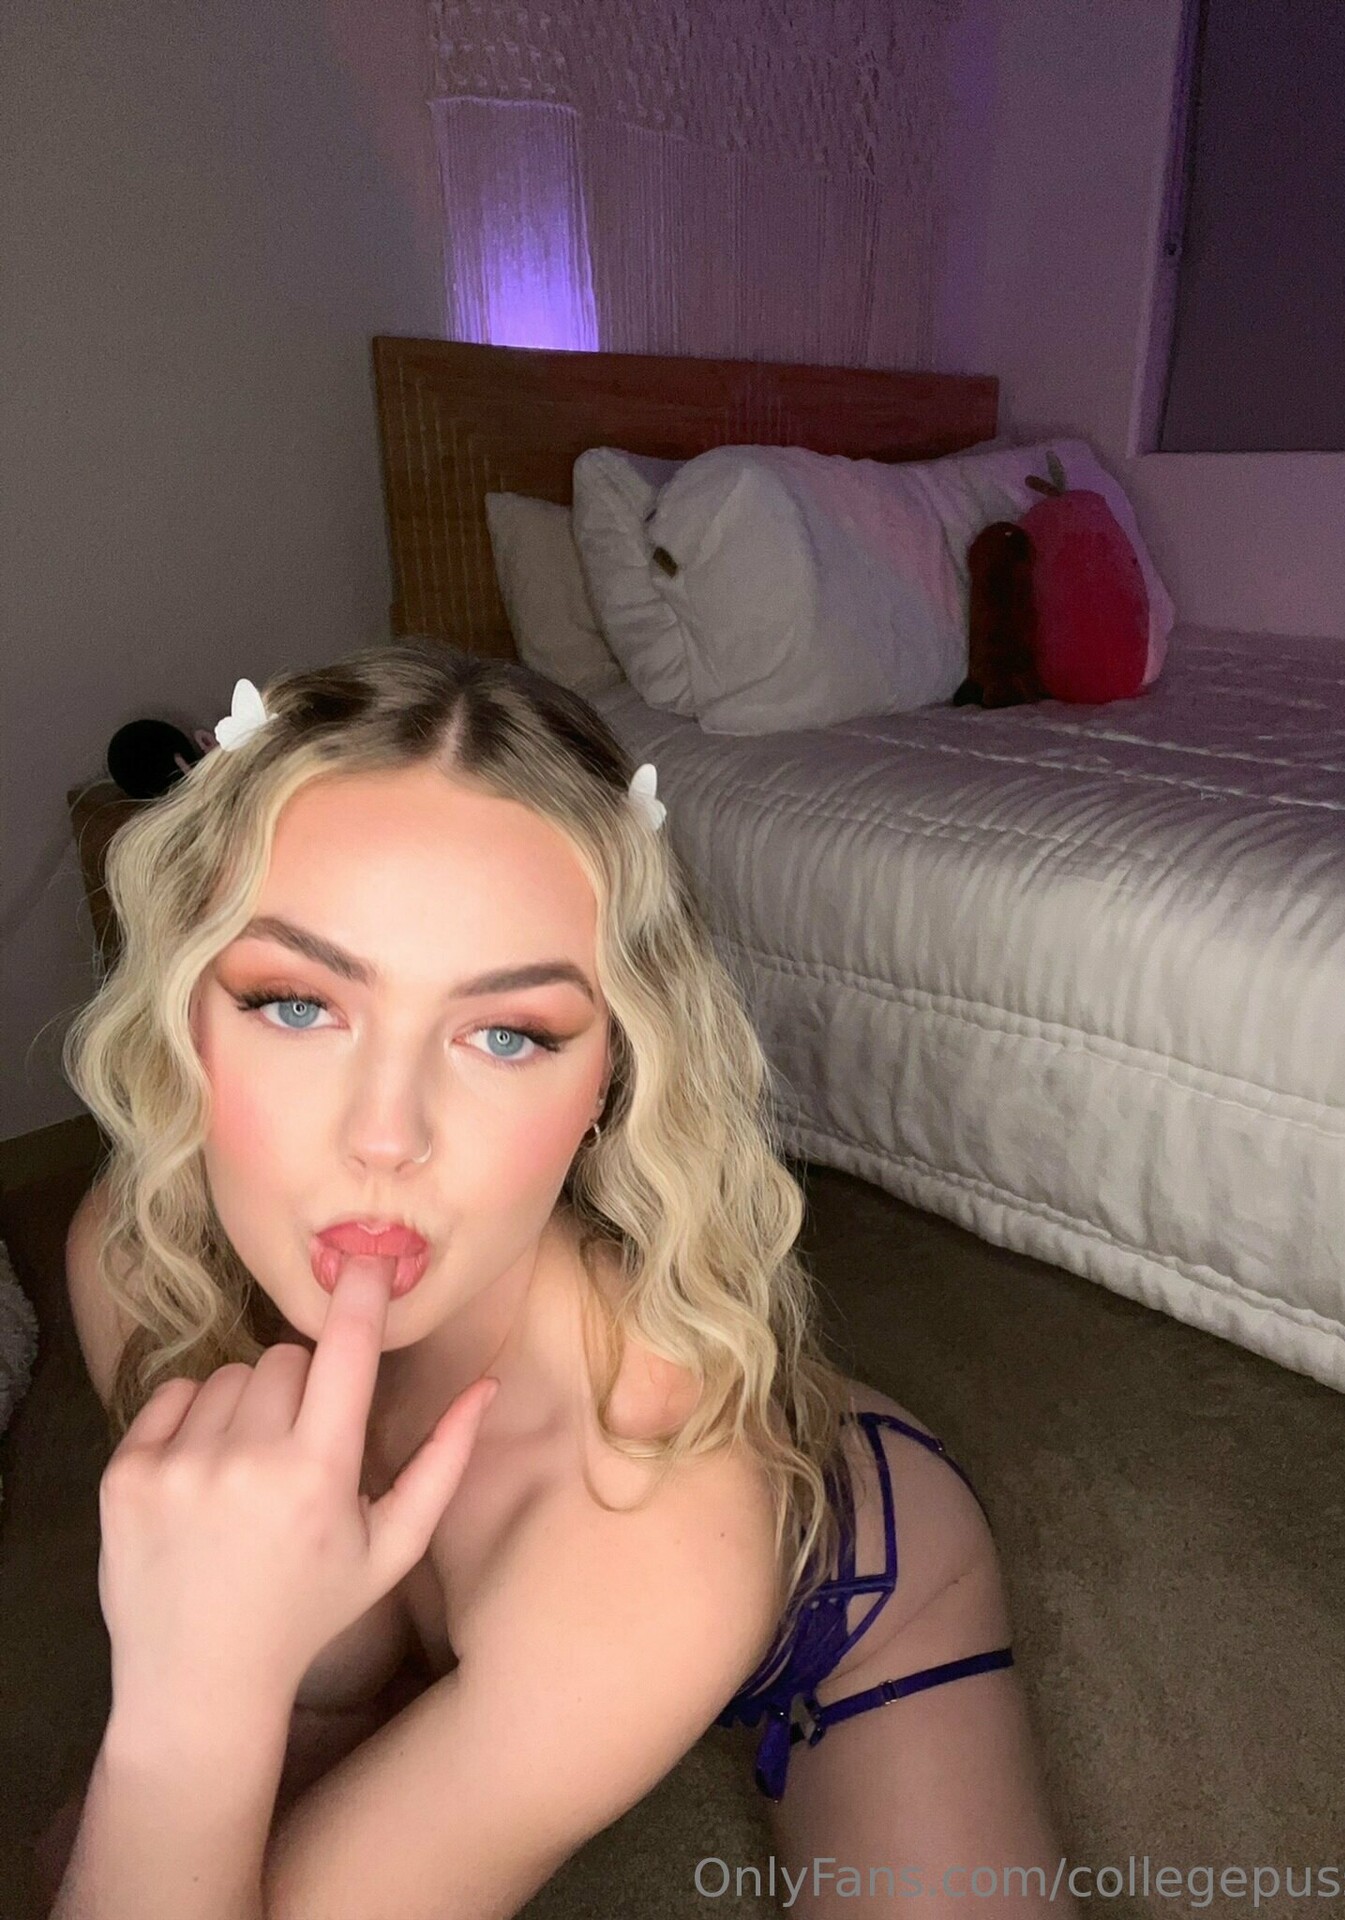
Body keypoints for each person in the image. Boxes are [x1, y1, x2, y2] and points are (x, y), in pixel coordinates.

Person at [43, 639, 1076, 1917]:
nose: (386, 1137)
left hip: (834, 1573)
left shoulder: (656, 1517)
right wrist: (245, 1689)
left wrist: (187, 1707)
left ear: (606, 1081)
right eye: (297, 1004)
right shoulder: (141, 1265)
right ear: (185, 1013)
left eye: (505, 1034)